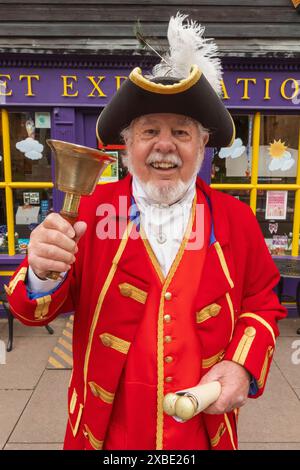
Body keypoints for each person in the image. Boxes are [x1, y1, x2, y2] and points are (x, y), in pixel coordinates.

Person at [6, 13, 286, 450]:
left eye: (181, 132)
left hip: (203, 429)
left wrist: (242, 366)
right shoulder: (93, 210)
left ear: (202, 144)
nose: (165, 145)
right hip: (107, 432)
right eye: (149, 131)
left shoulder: (236, 218)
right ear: (128, 143)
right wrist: (42, 271)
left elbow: (262, 302)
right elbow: (31, 312)